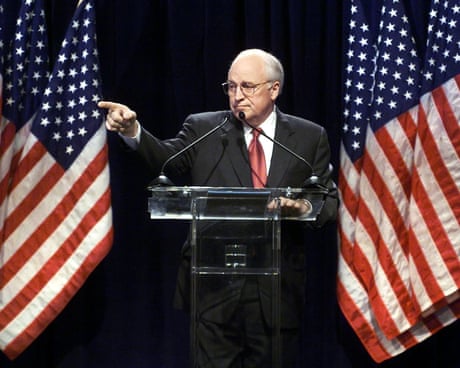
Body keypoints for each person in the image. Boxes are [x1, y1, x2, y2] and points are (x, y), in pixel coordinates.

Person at [99, 48, 338, 367]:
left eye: (247, 87)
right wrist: (132, 131)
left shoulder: (309, 137)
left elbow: (326, 200)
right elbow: (165, 161)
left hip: (276, 293)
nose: (237, 96)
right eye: (231, 86)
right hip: (213, 291)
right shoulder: (204, 129)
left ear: (274, 89)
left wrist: (301, 207)